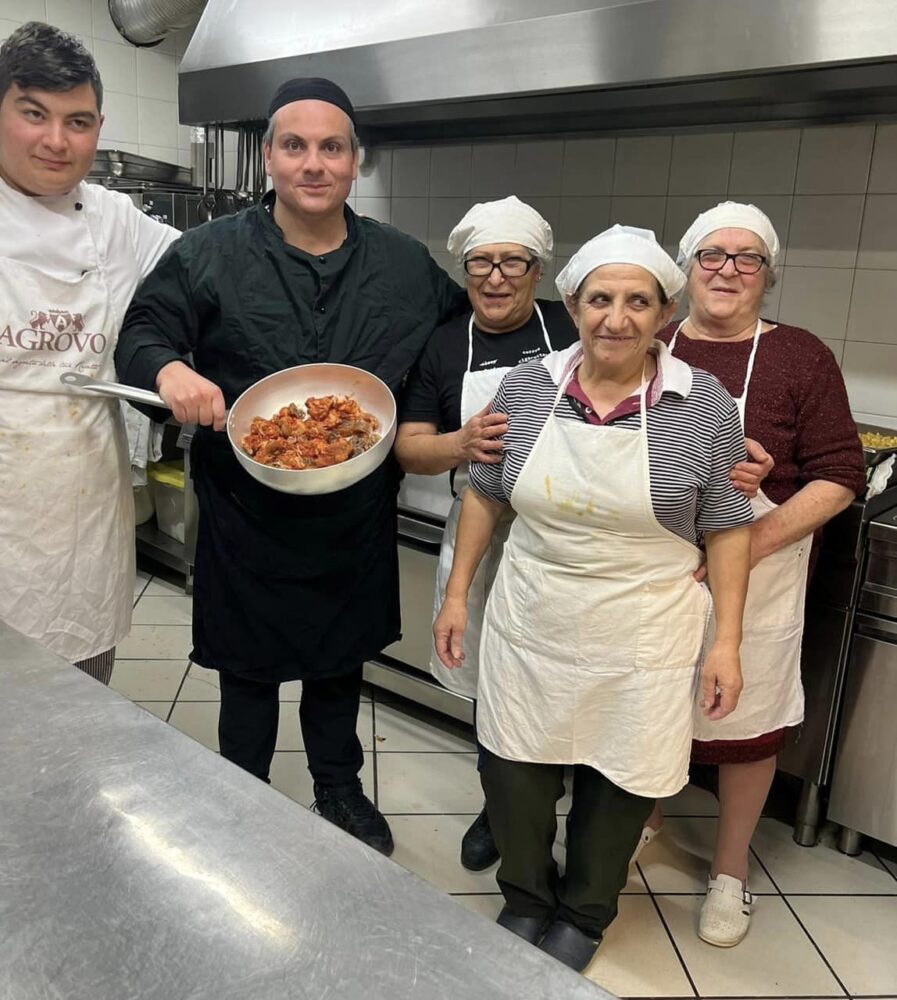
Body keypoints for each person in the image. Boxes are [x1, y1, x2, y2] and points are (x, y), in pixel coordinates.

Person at [114, 77, 467, 856]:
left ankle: (338, 788)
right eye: (294, 145)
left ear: (355, 162)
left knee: (339, 666)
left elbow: (464, 343)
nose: (313, 163)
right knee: (247, 671)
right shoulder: (205, 256)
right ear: (268, 156)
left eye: (331, 147)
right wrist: (169, 371)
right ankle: (241, 790)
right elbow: (143, 333)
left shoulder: (406, 266)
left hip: (353, 516)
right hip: (246, 513)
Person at [433, 225, 754, 972]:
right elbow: (484, 495)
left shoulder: (699, 403)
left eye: (637, 301)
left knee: (619, 782)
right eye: (600, 299)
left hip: (641, 629)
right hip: (532, 616)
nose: (617, 318)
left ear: (661, 313)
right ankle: (525, 897)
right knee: (513, 769)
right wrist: (455, 596)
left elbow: (729, 528)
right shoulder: (529, 383)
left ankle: (584, 912)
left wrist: (728, 642)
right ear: (573, 305)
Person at [639, 201, 866, 947]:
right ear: (686, 267)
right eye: (711, 255)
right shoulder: (649, 338)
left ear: (767, 276)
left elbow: (839, 475)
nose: (726, 269)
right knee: (643, 706)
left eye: (746, 258)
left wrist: (749, 541)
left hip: (757, 570)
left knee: (745, 724)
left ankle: (729, 874)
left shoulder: (800, 357)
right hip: (651, 568)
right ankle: (638, 822)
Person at [394, 196, 577, 871]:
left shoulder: (576, 329)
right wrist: (461, 443)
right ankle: (497, 807)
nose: (494, 278)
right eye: (480, 264)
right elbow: (410, 447)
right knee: (491, 684)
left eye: (511, 263)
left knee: (561, 680)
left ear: (538, 271)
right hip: (479, 534)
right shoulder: (444, 344)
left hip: (565, 544)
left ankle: (563, 807)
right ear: (464, 269)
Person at [0, 22, 178, 684]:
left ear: (98, 126)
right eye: (33, 114)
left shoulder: (113, 219)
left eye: (77, 121)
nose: (56, 140)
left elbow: (206, 271)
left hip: (82, 515)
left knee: (78, 711)